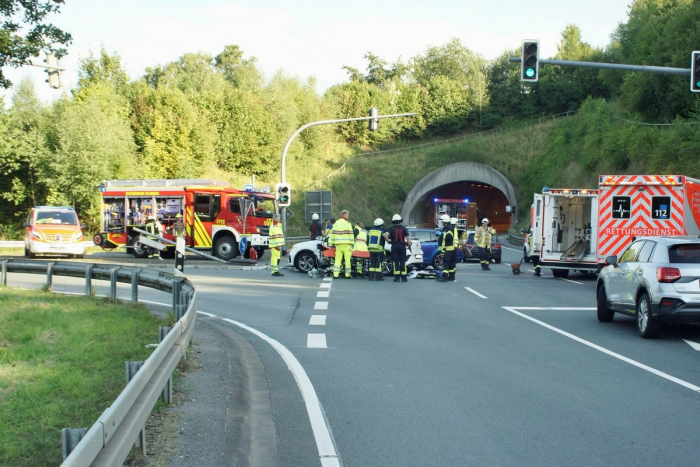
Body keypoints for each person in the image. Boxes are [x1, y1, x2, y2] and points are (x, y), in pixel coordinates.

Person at [384, 214, 411, 282]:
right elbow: (408, 237)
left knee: (395, 261)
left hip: (394, 246)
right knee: (403, 261)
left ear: (393, 221)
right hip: (402, 246)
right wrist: (409, 245)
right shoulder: (404, 228)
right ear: (400, 221)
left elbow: (385, 235)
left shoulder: (391, 228)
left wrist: (388, 241)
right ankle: (404, 278)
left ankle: (397, 278)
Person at [329, 210, 354, 279]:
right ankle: (347, 275)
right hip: (346, 244)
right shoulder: (348, 223)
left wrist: (332, 243)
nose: (348, 216)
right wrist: (352, 243)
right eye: (348, 214)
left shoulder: (336, 223)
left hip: (338, 245)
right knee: (347, 260)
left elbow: (333, 234)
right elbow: (351, 234)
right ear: (344, 214)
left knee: (337, 259)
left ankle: (336, 274)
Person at [436, 215, 455, 282]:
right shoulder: (447, 227)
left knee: (445, 262)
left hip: (448, 248)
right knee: (449, 262)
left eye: (442, 221)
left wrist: (441, 234)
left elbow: (449, 237)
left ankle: (445, 277)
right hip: (446, 248)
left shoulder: (449, 228)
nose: (441, 222)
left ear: (445, 221)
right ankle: (451, 276)